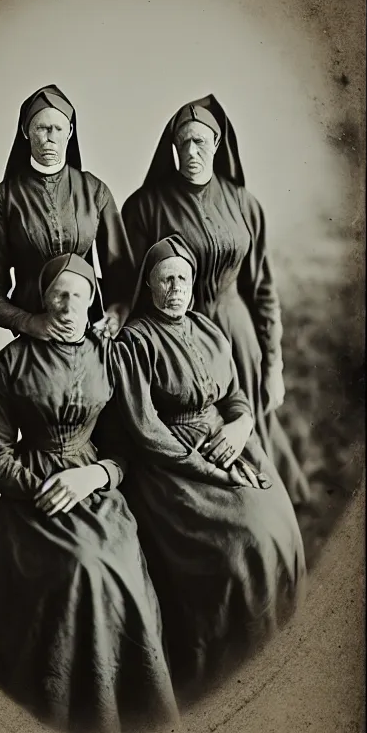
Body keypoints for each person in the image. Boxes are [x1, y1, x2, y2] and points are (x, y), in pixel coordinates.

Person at [0, 252, 178, 733]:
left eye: (78, 294)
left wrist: (94, 478)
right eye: (58, 295)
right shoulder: (14, 360)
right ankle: (59, 717)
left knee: (120, 563)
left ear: (92, 300)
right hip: (35, 502)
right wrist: (39, 487)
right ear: (43, 299)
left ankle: (129, 714)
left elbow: (124, 449)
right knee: (79, 568)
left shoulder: (107, 355)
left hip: (94, 488)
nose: (68, 306)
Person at [112, 235, 306, 702]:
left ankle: (277, 657)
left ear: (194, 282)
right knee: (242, 542)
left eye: (182, 278)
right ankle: (225, 670)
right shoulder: (134, 343)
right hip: (173, 467)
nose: (176, 287)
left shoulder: (208, 329)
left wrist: (240, 426)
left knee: (281, 526)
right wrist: (211, 470)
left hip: (229, 441)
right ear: (150, 287)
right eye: (165, 280)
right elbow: (144, 431)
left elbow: (235, 395)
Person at [121, 95, 310, 505]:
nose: (192, 152)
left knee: (248, 426)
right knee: (188, 446)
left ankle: (263, 508)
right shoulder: (144, 207)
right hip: (170, 343)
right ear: (172, 147)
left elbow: (262, 289)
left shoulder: (244, 204)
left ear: (218, 145)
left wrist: (274, 363)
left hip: (236, 337)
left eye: (201, 142)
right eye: (183, 143)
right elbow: (129, 291)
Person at [0, 84, 134, 340]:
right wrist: (28, 321)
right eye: (41, 128)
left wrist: (116, 313)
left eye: (57, 129)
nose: (50, 137)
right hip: (34, 340)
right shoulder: (4, 199)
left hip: (89, 335)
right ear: (25, 131)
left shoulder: (95, 191)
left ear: (70, 131)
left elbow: (123, 276)